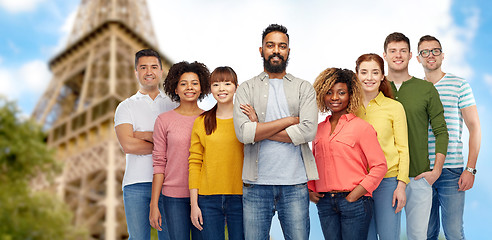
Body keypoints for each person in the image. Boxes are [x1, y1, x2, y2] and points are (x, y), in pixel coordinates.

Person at [232, 24, 318, 240]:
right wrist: (289, 121)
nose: (276, 50)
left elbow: (308, 131)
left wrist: (259, 127)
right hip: (256, 186)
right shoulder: (246, 88)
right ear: (261, 50)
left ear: (289, 51)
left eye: (282, 46)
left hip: (295, 185)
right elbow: (244, 134)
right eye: (270, 45)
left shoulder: (304, 88)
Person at [383, 32, 449, 240]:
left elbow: (441, 132)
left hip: (419, 176)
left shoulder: (426, 89)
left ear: (411, 55)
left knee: (418, 237)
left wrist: (436, 171)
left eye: (403, 50)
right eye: (393, 51)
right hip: (385, 177)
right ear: (384, 55)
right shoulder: (376, 87)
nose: (398, 55)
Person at [308, 68, 387, 240]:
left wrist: (354, 195)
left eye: (341, 93)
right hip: (325, 203)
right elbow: (312, 162)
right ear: (322, 95)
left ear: (351, 94)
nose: (335, 97)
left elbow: (379, 166)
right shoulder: (317, 130)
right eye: (329, 93)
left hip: (355, 202)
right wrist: (310, 189)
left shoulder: (362, 127)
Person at [416, 35, 481, 240]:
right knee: (426, 233)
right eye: (425, 52)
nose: (430, 55)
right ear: (418, 58)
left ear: (442, 55)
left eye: (435, 51)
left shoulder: (459, 85)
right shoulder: (414, 89)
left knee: (453, 232)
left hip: (452, 171)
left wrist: (470, 169)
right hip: (421, 171)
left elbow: (475, 128)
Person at [114, 49, 176, 240]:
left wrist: (143, 135)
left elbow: (182, 144)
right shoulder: (125, 106)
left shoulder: (173, 105)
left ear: (161, 71)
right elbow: (128, 146)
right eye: (143, 67)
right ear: (136, 72)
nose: (149, 71)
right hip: (136, 183)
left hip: (169, 182)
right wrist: (164, 144)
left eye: (153, 67)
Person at [149, 61, 210, 240]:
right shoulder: (164, 120)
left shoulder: (210, 119)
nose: (189, 87)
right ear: (175, 89)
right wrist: (154, 204)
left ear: (201, 88)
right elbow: (159, 164)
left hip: (205, 196)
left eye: (194, 83)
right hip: (173, 197)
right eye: (183, 83)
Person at [354, 53, 410, 240]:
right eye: (364, 72)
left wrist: (401, 185)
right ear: (356, 76)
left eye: (375, 72)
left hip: (388, 183)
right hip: (358, 184)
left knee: (389, 236)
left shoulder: (394, 107)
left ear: (382, 76)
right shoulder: (349, 109)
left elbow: (403, 148)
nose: (369, 78)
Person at [188, 66, 245, 240]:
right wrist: (194, 204)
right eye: (216, 84)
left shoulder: (246, 119)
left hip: (242, 197)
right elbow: (195, 162)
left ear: (236, 86)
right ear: (210, 89)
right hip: (208, 199)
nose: (222, 89)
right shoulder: (202, 121)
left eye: (227, 83)